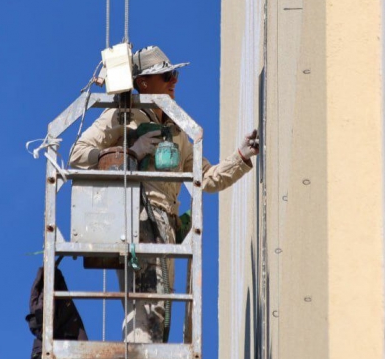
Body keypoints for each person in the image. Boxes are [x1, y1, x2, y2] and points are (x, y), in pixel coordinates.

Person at [69, 45, 259, 343]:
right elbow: (77, 154)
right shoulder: (123, 115)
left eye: (174, 74)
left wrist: (242, 157)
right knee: (146, 304)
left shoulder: (180, 127)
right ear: (143, 83)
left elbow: (206, 179)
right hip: (136, 217)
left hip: (166, 226)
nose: (174, 81)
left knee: (161, 307)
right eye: (165, 75)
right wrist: (129, 151)